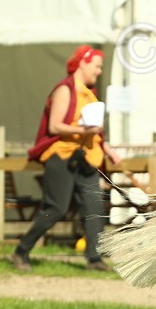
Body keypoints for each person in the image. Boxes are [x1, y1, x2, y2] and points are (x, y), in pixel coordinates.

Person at [11, 45, 122, 272]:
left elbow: (95, 131)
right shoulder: (65, 90)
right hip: (62, 156)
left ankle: (94, 259)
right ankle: (21, 250)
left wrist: (107, 147)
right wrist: (84, 132)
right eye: (97, 66)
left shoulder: (89, 93)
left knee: (94, 207)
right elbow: (55, 125)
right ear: (83, 62)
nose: (99, 71)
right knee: (56, 208)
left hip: (86, 157)